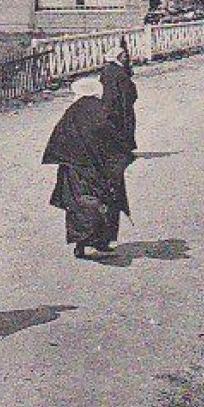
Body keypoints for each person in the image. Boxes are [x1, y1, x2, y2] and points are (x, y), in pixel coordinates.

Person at [42, 76, 134, 258]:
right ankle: (101, 242)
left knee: (78, 205)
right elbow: (113, 137)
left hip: (75, 169)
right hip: (100, 168)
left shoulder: (72, 112)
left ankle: (80, 244)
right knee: (105, 201)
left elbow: (59, 139)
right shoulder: (101, 110)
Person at [99, 43, 138, 153]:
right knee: (123, 125)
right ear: (117, 57)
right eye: (123, 56)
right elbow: (126, 90)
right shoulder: (119, 72)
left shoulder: (107, 69)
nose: (126, 59)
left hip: (109, 103)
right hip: (120, 104)